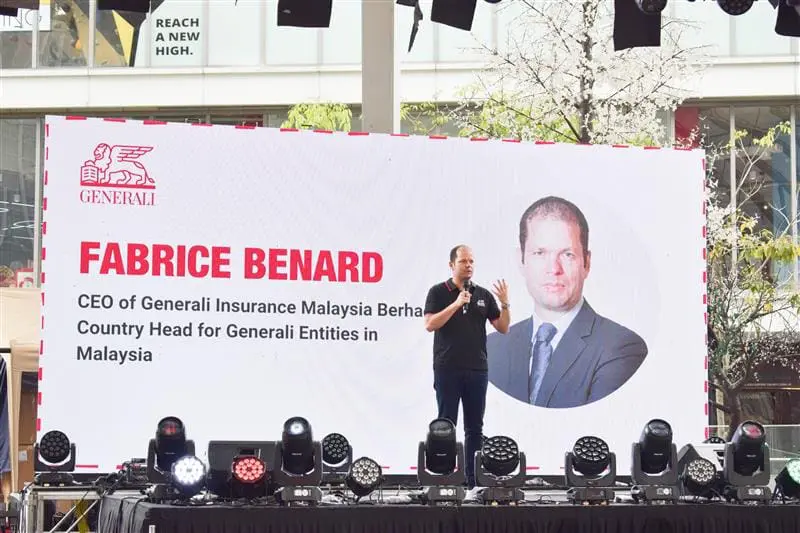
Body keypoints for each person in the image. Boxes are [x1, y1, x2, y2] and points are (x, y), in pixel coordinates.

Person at [487, 196, 647, 409]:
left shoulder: (620, 348)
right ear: (521, 260)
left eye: (567, 254)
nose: (554, 269)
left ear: (586, 263)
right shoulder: (490, 348)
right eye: (540, 253)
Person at [424, 245, 510, 488]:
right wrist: (456, 304)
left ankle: (473, 481)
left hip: (477, 370)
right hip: (447, 368)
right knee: (445, 426)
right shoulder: (438, 292)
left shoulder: (483, 294)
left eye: (471, 261)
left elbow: (503, 327)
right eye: (463, 261)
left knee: (475, 428)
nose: (469, 265)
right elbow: (430, 324)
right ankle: (445, 479)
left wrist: (505, 304)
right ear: (452, 265)